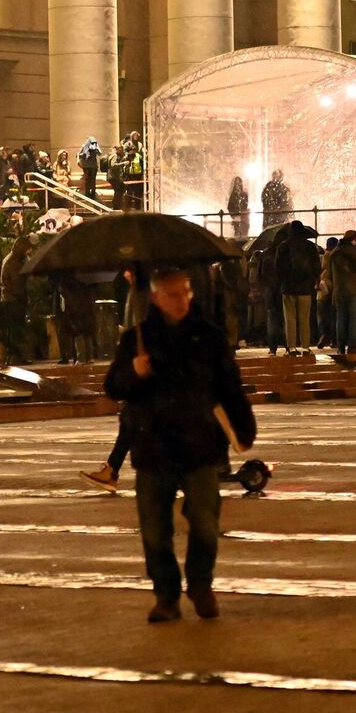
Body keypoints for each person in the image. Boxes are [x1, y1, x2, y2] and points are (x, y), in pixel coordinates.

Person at [103, 266, 254, 623]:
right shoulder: (137, 339)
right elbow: (113, 387)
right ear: (155, 297)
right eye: (173, 294)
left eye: (186, 292)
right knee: (155, 529)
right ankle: (166, 596)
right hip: (154, 447)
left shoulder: (208, 337)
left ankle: (200, 585)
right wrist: (134, 373)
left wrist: (244, 427)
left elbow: (229, 386)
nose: (182, 300)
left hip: (200, 446)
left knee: (204, 522)